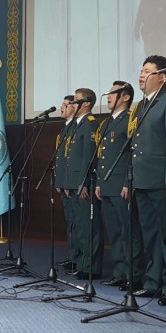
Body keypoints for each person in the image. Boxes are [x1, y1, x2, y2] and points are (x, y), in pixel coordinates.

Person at [130, 55, 166, 305]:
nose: (141, 75)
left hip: (163, 180)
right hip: (142, 180)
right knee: (151, 235)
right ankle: (153, 282)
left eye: (147, 72)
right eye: (141, 71)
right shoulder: (141, 106)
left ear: (162, 77)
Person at [95, 81, 146, 289]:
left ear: (125, 97)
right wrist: (99, 182)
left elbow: (133, 154)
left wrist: (128, 181)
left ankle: (133, 274)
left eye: (113, 93)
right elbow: (103, 156)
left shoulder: (130, 120)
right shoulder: (107, 122)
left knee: (129, 231)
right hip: (107, 184)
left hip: (121, 185)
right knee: (115, 232)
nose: (108, 96)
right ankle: (119, 272)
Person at [64, 88, 103, 279]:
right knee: (79, 226)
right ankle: (81, 263)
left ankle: (90, 268)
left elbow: (89, 157)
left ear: (87, 103)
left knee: (89, 228)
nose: (73, 103)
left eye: (76, 100)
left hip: (83, 183)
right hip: (75, 183)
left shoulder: (90, 124)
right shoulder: (77, 125)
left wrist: (84, 183)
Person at [54, 95, 78, 271]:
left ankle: (79, 260)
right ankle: (74, 257)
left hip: (73, 184)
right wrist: (60, 181)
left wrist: (68, 183)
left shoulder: (77, 128)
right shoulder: (64, 129)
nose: (62, 107)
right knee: (71, 222)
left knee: (78, 224)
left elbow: (74, 160)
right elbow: (61, 160)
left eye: (66, 105)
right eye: (62, 104)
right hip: (65, 183)